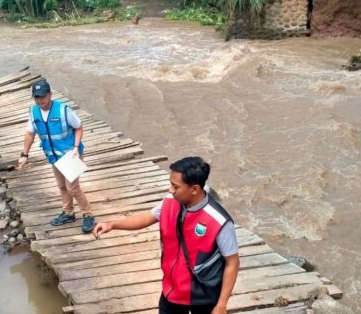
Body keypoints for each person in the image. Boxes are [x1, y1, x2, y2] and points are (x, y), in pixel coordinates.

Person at [94, 157, 240, 314]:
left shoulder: (219, 222)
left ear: (194, 189)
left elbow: (232, 263)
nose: (170, 190)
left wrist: (221, 305)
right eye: (171, 184)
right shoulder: (170, 201)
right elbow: (145, 219)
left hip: (203, 295)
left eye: (175, 186)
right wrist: (112, 224)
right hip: (173, 289)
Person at [18, 79, 96, 233]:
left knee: (72, 188)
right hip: (54, 156)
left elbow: (79, 127)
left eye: (43, 96)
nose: (40, 100)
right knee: (62, 186)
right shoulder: (33, 112)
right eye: (36, 97)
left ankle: (88, 214)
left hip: (71, 155)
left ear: (50, 95)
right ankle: (68, 213)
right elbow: (29, 134)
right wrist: (24, 154)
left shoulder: (63, 110)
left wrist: (75, 148)